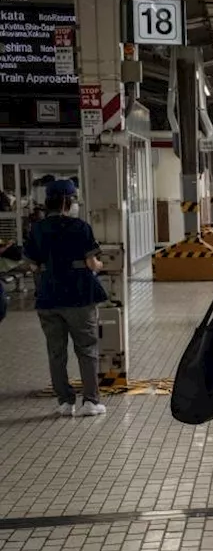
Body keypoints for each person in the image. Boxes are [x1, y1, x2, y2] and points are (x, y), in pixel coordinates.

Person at [22, 179, 107, 417]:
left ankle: (65, 402)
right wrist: (98, 265)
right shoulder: (80, 227)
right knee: (87, 348)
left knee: (56, 352)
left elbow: (31, 265)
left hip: (49, 298)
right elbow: (92, 262)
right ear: (68, 202)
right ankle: (90, 402)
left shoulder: (38, 229)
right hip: (79, 296)